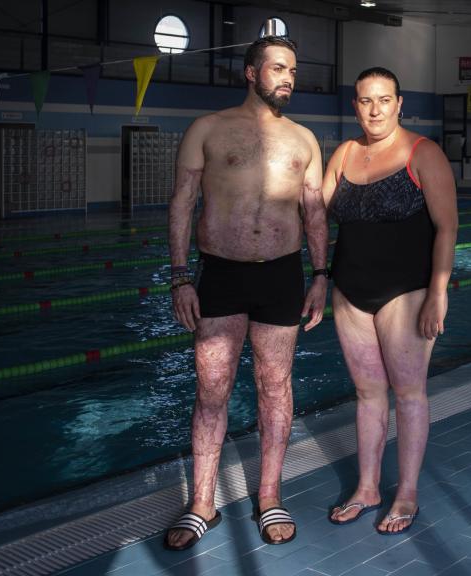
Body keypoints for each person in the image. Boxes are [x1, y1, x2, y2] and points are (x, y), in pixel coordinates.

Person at [164, 36, 328, 550]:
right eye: (278, 68)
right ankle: (202, 503)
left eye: (294, 71)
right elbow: (182, 203)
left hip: (281, 275)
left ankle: (270, 495)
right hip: (221, 274)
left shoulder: (304, 140)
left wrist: (321, 275)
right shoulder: (207, 130)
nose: (288, 78)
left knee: (275, 387)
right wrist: (179, 275)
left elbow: (315, 212)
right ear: (250, 73)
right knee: (211, 389)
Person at [323, 67, 457, 535]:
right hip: (349, 292)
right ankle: (367, 487)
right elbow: (317, 216)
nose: (375, 109)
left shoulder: (423, 153)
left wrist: (437, 294)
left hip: (408, 291)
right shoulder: (343, 154)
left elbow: (447, 228)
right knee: (366, 394)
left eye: (384, 99)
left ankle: (407, 492)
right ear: (355, 105)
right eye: (365, 100)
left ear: (400, 103)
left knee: (409, 393)